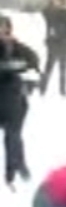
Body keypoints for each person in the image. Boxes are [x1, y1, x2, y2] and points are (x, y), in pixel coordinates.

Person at [0, 15, 40, 189]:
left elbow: (34, 62)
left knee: (13, 136)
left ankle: (15, 169)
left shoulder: (17, 47)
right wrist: (12, 67)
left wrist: (20, 69)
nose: (2, 32)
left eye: (5, 28)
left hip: (14, 99)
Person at [39, 0, 66, 97]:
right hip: (57, 43)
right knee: (56, 68)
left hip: (59, 43)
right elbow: (45, 12)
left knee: (55, 68)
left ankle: (49, 89)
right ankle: (53, 90)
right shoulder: (58, 13)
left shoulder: (62, 14)